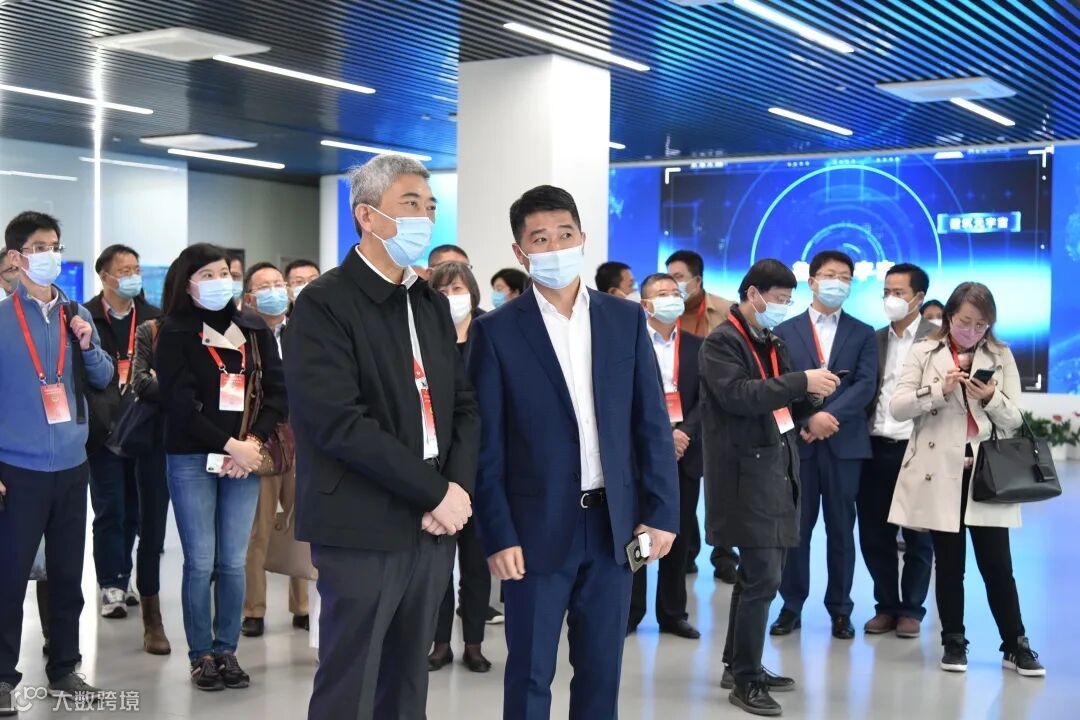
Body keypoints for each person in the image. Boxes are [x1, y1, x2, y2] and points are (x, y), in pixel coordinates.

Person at [467, 185, 679, 720]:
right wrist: (498, 533)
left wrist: (660, 513)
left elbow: (651, 424)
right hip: (534, 531)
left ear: (582, 238)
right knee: (530, 673)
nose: (556, 247)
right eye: (540, 239)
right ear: (520, 252)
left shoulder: (624, 319)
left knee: (602, 672)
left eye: (565, 234)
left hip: (614, 527)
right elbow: (486, 446)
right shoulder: (496, 332)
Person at [285, 155, 479, 720]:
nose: (425, 218)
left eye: (430, 206)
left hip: (434, 523)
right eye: (410, 204)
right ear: (366, 216)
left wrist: (455, 490)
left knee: (407, 681)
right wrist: (434, 493)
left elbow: (463, 406)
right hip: (363, 522)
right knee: (352, 681)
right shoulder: (324, 303)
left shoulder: (429, 302)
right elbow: (339, 422)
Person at [700, 259, 840, 716]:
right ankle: (746, 680)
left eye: (787, 301)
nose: (783, 307)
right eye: (778, 300)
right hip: (745, 473)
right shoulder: (723, 342)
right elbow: (739, 395)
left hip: (777, 465)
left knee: (756, 577)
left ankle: (738, 664)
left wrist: (810, 396)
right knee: (763, 578)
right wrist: (800, 381)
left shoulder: (771, 341)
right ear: (753, 294)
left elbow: (783, 403)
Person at [889, 282, 1044, 677]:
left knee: (998, 566)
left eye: (981, 324)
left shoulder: (1001, 354)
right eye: (965, 321)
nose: (972, 331)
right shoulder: (924, 352)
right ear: (949, 316)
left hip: (987, 474)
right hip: (940, 473)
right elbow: (898, 407)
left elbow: (1015, 420)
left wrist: (990, 397)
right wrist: (938, 391)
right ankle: (953, 641)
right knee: (949, 565)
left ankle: (1015, 644)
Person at [156, 243, 287, 692]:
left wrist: (251, 444)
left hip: (244, 458)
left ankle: (226, 649)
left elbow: (277, 394)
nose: (219, 282)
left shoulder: (253, 328)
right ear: (188, 283)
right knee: (200, 561)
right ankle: (201, 656)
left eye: (225, 273)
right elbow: (178, 404)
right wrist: (230, 445)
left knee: (232, 561)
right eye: (207, 275)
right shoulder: (174, 331)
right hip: (192, 457)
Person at [0, 211, 114, 709]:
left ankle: (65, 667)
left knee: (68, 576)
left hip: (71, 466)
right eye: (40, 247)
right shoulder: (2, 319)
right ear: (17, 256)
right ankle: (2, 678)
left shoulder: (76, 314)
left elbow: (104, 378)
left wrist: (87, 345)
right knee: (8, 578)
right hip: (16, 470)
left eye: (56, 246)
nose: (51, 255)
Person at [771, 250, 877, 641]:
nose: (838, 282)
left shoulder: (863, 332)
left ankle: (840, 609)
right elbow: (779, 385)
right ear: (812, 281)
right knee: (795, 530)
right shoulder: (785, 330)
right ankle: (791, 605)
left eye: (846, 277)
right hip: (799, 444)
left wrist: (828, 417)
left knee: (841, 530)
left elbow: (865, 385)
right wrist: (807, 419)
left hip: (844, 444)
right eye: (831, 275)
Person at [858, 263, 935, 639]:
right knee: (874, 534)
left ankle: (912, 610)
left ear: (918, 297)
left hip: (918, 449)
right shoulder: (873, 340)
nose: (890, 298)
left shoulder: (938, 340)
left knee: (918, 534)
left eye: (898, 292)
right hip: (875, 447)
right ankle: (886, 606)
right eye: (886, 292)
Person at [85, 244, 161, 620]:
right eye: (124, 270)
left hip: (142, 427)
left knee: (135, 509)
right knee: (109, 508)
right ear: (105, 276)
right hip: (103, 429)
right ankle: (110, 584)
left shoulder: (153, 318)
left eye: (136, 269)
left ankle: (124, 577)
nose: (133, 276)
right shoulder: (85, 316)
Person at [427, 261, 494, 673]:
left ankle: (473, 642)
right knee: (438, 563)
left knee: (476, 562)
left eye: (458, 288)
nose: (452, 297)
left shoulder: (491, 335)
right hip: (437, 467)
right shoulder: (425, 336)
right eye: (443, 290)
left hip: (484, 466)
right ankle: (439, 643)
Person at [627, 273, 702, 640]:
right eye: (662, 293)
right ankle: (631, 610)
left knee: (679, 531)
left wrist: (684, 433)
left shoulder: (698, 346)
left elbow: (708, 399)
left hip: (685, 451)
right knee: (639, 530)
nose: (671, 298)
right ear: (645, 304)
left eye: (675, 292)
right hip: (641, 453)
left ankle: (673, 613)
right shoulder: (629, 342)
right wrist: (659, 438)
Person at [239, 262, 309, 638]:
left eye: (279, 284)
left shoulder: (305, 330)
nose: (275, 291)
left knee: (303, 524)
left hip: (304, 440)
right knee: (258, 530)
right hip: (262, 441)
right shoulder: (244, 335)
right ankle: (254, 609)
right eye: (264, 286)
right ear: (250, 298)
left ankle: (302, 605)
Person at [665, 248, 739, 582]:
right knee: (685, 487)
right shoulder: (662, 312)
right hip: (681, 418)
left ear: (697, 280)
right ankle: (688, 553)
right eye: (669, 277)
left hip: (720, 414)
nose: (674, 284)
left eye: (679, 277)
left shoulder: (725, 310)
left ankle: (724, 556)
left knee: (723, 490)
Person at [128, 263, 176, 656]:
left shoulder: (225, 331)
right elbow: (140, 382)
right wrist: (188, 389)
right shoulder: (152, 330)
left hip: (210, 444)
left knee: (210, 545)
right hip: (157, 443)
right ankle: (152, 620)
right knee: (153, 534)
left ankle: (213, 633)